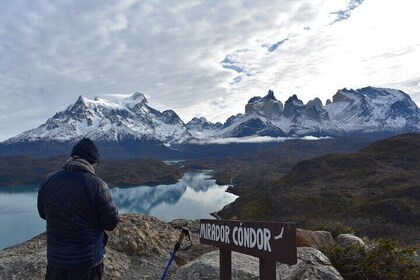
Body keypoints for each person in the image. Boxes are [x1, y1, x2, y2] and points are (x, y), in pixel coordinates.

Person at [37, 138, 119, 280]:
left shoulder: (48, 180)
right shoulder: (97, 185)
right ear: (93, 162)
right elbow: (111, 223)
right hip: (86, 262)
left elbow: (43, 214)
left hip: (55, 260)